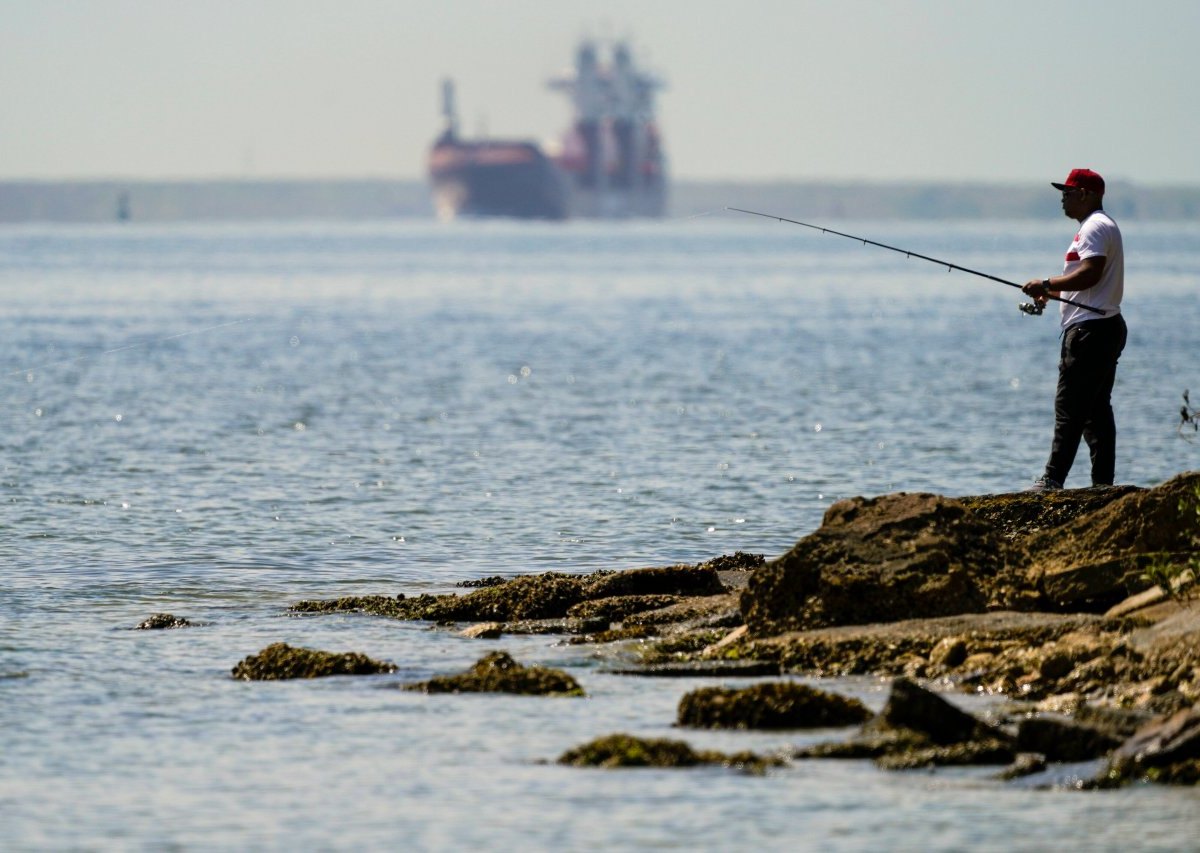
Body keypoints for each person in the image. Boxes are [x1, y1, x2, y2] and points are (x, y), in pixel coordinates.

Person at [1021, 168, 1127, 491]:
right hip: (1104, 328)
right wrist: (1050, 294)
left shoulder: (1095, 227)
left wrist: (1048, 282)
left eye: (1068, 191)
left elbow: (1091, 274)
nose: (1062, 198)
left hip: (1089, 333)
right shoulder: (1098, 227)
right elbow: (1086, 284)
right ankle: (1103, 486)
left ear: (1086, 194)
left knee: (1070, 408)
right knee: (1095, 413)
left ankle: (1052, 480)